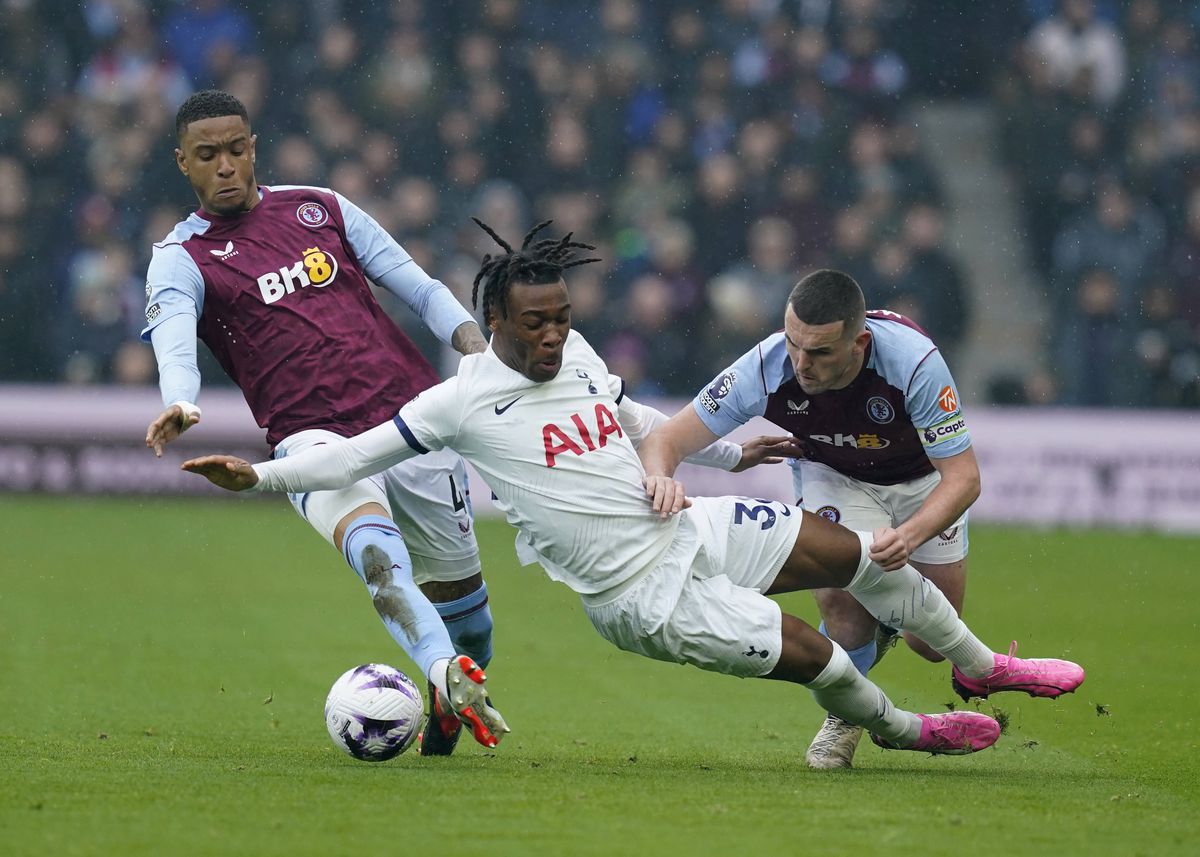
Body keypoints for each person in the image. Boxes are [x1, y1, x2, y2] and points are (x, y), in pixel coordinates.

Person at [182, 220, 1086, 761]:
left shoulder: (575, 353)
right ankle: (901, 728)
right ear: (493, 321)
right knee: (821, 652)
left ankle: (979, 663)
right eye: (535, 324)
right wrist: (257, 474)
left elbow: (635, 417)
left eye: (562, 318)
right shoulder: (457, 403)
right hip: (636, 594)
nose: (553, 336)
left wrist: (729, 461)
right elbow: (348, 458)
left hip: (685, 523)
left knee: (853, 554)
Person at [141, 90, 506, 753]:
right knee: (379, 559)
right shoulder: (180, 257)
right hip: (312, 438)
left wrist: (474, 346)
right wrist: (181, 400)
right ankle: (439, 668)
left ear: (253, 147)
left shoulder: (321, 207)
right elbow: (173, 336)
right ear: (183, 164)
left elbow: (417, 285)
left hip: (412, 420)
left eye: (235, 149)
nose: (224, 165)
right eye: (206, 155)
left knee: (473, 622)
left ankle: (451, 688)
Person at [639, 267, 993, 769]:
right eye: (794, 344)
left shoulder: (913, 363)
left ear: (859, 343)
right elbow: (666, 438)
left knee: (929, 643)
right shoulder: (763, 366)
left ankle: (888, 622)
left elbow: (964, 479)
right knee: (842, 603)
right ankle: (846, 716)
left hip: (920, 483)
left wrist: (910, 537)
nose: (801, 363)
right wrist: (661, 475)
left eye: (820, 352)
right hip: (833, 474)